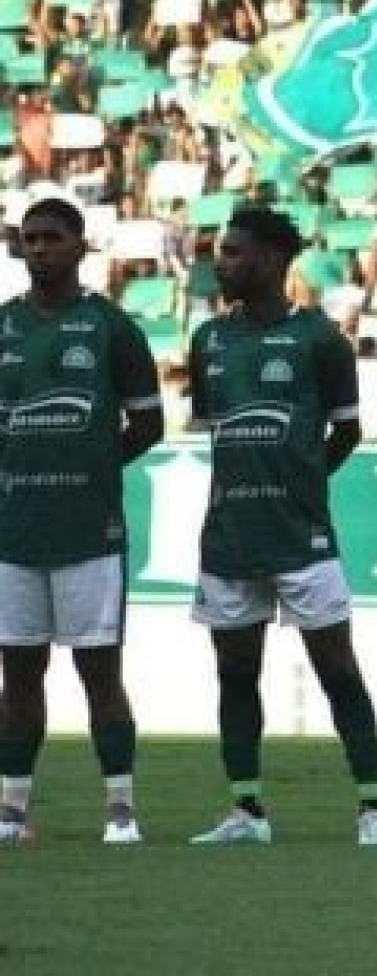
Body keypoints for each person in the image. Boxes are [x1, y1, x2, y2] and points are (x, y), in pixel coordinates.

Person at [187, 207, 377, 846]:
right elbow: (215, 427)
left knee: (337, 670)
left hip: (302, 537)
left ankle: (372, 809)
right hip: (229, 535)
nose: (222, 263)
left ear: (273, 260)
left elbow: (347, 429)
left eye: (234, 252)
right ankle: (246, 810)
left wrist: (305, 479)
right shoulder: (209, 340)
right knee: (235, 674)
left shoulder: (319, 339)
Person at [0, 198, 163, 845]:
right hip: (14, 531)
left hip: (88, 532)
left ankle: (120, 809)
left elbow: (148, 422)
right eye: (30, 238)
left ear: (79, 245)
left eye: (52, 237)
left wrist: (94, 463)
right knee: (18, 674)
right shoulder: (4, 325)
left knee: (100, 672)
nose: (39, 247)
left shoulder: (110, 326)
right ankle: (12, 810)